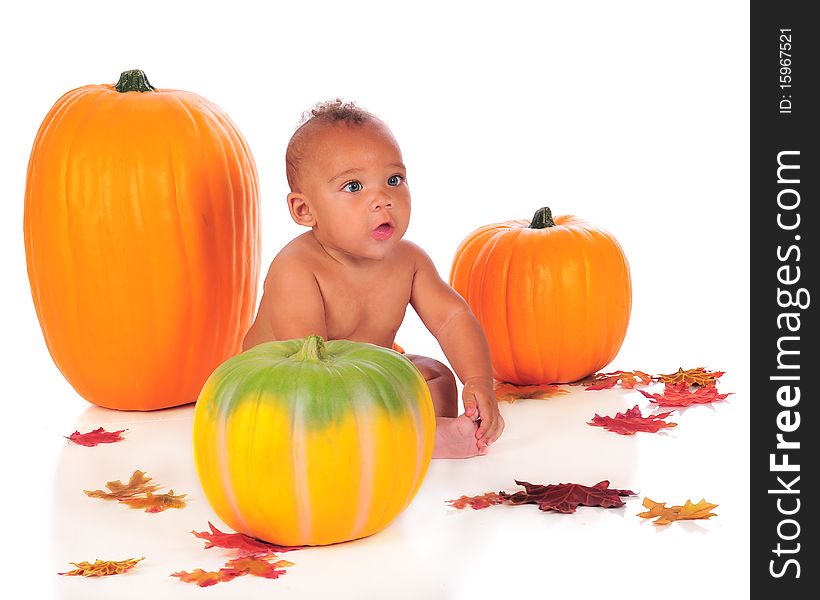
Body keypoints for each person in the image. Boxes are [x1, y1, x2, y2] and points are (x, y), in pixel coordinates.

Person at [242, 100, 504, 458]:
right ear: (305, 210)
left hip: (362, 376)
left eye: (393, 180)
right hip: (285, 387)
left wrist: (478, 382)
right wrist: (373, 394)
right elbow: (309, 364)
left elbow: (452, 318)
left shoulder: (409, 260)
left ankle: (408, 431)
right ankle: (412, 437)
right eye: (353, 186)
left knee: (437, 377)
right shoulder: (297, 268)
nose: (383, 199)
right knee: (300, 415)